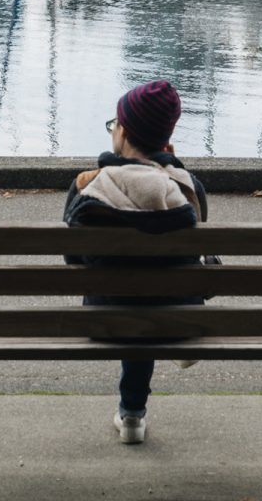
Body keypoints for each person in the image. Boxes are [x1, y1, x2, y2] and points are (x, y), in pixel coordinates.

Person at [63, 78, 207, 446]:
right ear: (164, 139)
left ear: (122, 131)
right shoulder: (188, 187)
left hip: (103, 317)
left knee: (127, 291)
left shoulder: (87, 186)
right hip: (174, 317)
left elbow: (73, 256)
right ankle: (133, 413)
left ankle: (130, 415)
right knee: (158, 286)